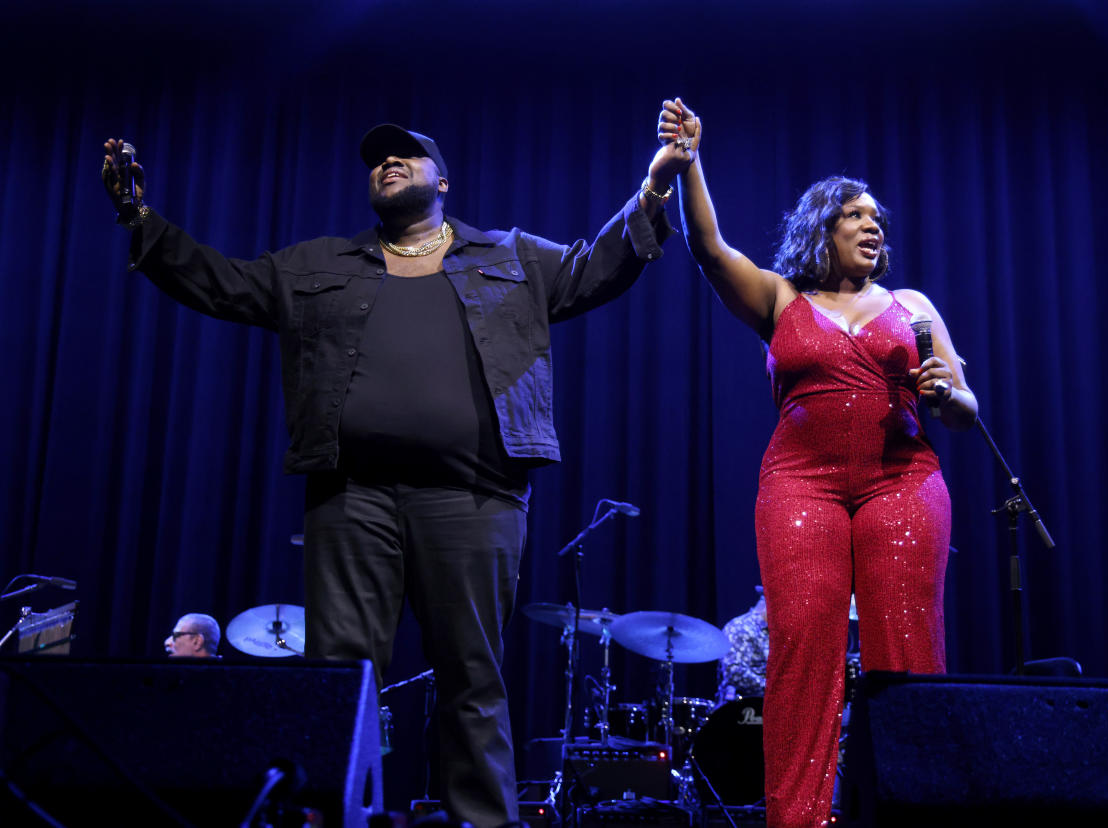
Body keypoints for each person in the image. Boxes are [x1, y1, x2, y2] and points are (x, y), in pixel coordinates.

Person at [102, 125, 688, 828]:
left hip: (475, 496)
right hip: (353, 498)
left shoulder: (512, 255)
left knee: (472, 676)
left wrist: (654, 187)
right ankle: (333, 819)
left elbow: (598, 266)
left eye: (405, 154)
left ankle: (483, 824)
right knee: (340, 679)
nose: (387, 161)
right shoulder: (319, 264)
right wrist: (140, 218)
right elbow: (222, 284)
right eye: (377, 157)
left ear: (442, 181)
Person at [658, 98, 978, 826]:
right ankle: (798, 820)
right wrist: (690, 161)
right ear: (823, 226)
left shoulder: (911, 305)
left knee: (906, 646)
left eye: (879, 221)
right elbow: (709, 248)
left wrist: (945, 393)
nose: (874, 226)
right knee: (804, 652)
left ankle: (913, 808)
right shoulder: (780, 297)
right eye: (858, 215)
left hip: (903, 481)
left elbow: (965, 411)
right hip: (802, 487)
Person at [716, 588, 768, 703]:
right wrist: (773, 688)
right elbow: (734, 672)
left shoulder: (775, 632)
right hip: (743, 709)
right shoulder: (741, 627)